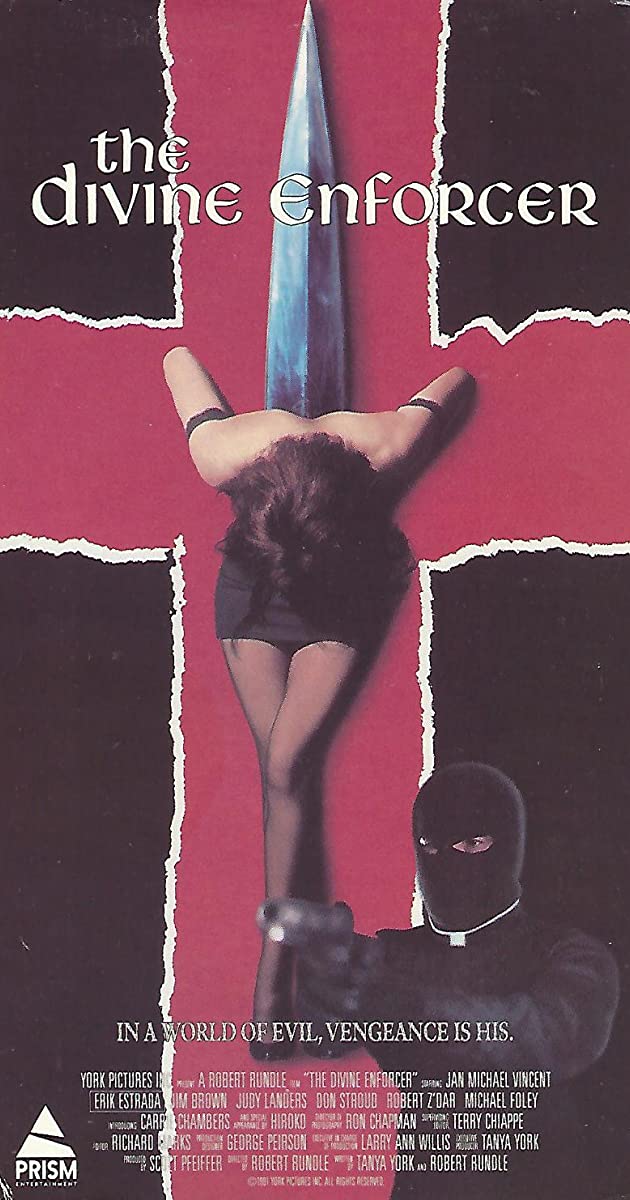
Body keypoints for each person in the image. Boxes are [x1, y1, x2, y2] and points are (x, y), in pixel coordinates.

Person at [163, 347, 474, 1054]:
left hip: (342, 585)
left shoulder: (381, 445)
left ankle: (274, 966)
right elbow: (176, 356)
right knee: (283, 770)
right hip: (256, 584)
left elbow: (457, 380)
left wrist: (427, 406)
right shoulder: (226, 455)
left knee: (284, 767)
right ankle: (294, 953)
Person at [260, 763, 619, 1195]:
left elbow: (541, 1036)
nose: (448, 861)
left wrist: (404, 1002)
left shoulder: (571, 955)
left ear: (509, 844)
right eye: (430, 846)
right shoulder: (392, 954)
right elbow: (325, 1040)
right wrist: (323, 982)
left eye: (471, 843)